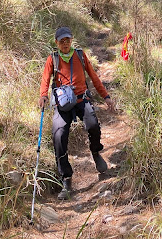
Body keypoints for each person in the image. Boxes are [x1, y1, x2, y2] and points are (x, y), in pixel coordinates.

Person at [38, 26, 115, 200]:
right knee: (59, 135)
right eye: (61, 41)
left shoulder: (80, 55)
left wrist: (106, 96)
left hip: (81, 99)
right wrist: (43, 96)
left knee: (93, 125)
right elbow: (45, 79)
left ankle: (95, 152)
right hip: (62, 103)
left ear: (71, 40)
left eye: (68, 40)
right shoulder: (53, 59)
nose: (65, 44)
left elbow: (93, 76)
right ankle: (66, 178)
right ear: (56, 43)